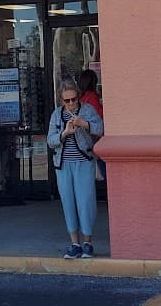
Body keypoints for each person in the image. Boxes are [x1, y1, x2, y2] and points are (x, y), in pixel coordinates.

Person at [47, 79, 103, 259]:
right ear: (61, 100)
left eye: (73, 99)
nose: (71, 103)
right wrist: (64, 133)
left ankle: (88, 242)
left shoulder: (87, 110)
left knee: (85, 202)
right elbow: (50, 140)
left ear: (78, 96)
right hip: (63, 165)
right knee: (68, 202)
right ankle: (75, 243)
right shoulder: (56, 115)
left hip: (84, 161)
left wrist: (84, 124)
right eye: (67, 100)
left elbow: (101, 129)